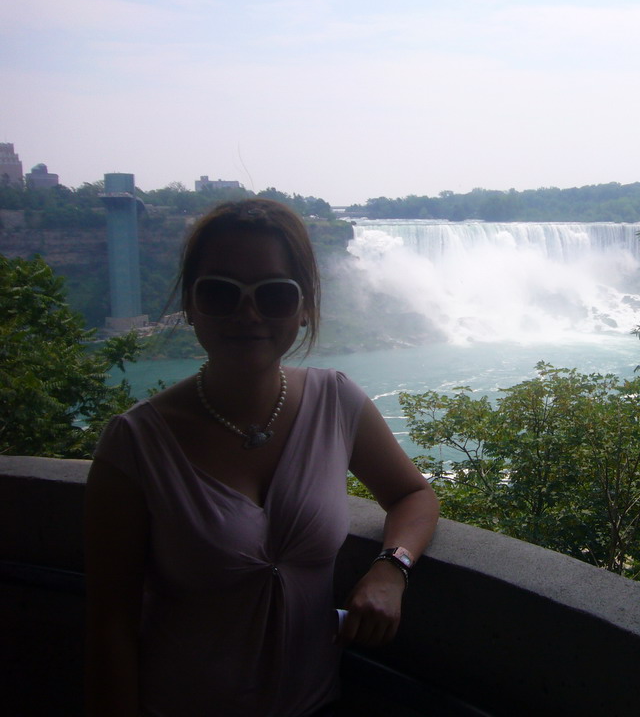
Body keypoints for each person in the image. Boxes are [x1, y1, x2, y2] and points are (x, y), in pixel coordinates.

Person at [84, 199, 439, 716]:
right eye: (220, 293)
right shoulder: (135, 444)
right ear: (191, 303)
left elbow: (413, 494)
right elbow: (110, 626)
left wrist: (392, 568)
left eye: (273, 295)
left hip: (318, 703)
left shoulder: (336, 401)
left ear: (303, 308)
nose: (247, 313)